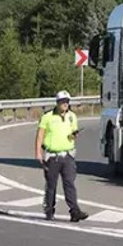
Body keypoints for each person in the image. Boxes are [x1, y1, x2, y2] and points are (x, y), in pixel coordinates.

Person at [34, 90, 89, 222]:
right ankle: (49, 210)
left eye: (67, 102)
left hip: (67, 155)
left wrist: (73, 136)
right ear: (57, 103)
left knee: (69, 183)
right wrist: (38, 152)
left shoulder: (72, 116)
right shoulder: (47, 117)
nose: (65, 104)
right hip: (52, 156)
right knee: (51, 185)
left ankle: (74, 211)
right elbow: (40, 135)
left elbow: (71, 134)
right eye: (63, 102)